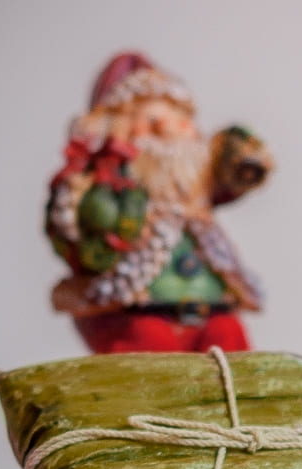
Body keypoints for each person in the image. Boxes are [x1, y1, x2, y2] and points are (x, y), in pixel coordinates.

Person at [45, 52, 273, 353]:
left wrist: (243, 161)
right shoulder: (113, 186)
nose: (168, 130)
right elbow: (76, 219)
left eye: (180, 122)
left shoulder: (198, 190)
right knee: (148, 349)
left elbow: (232, 175)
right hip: (140, 313)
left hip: (214, 309)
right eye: (153, 121)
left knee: (231, 341)